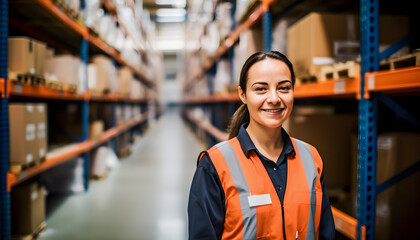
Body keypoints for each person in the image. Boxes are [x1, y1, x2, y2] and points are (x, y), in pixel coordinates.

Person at [188, 51, 335, 240]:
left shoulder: (311, 157)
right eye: (261, 89)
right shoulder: (215, 164)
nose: (274, 98)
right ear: (243, 94)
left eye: (284, 88)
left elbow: (325, 232)